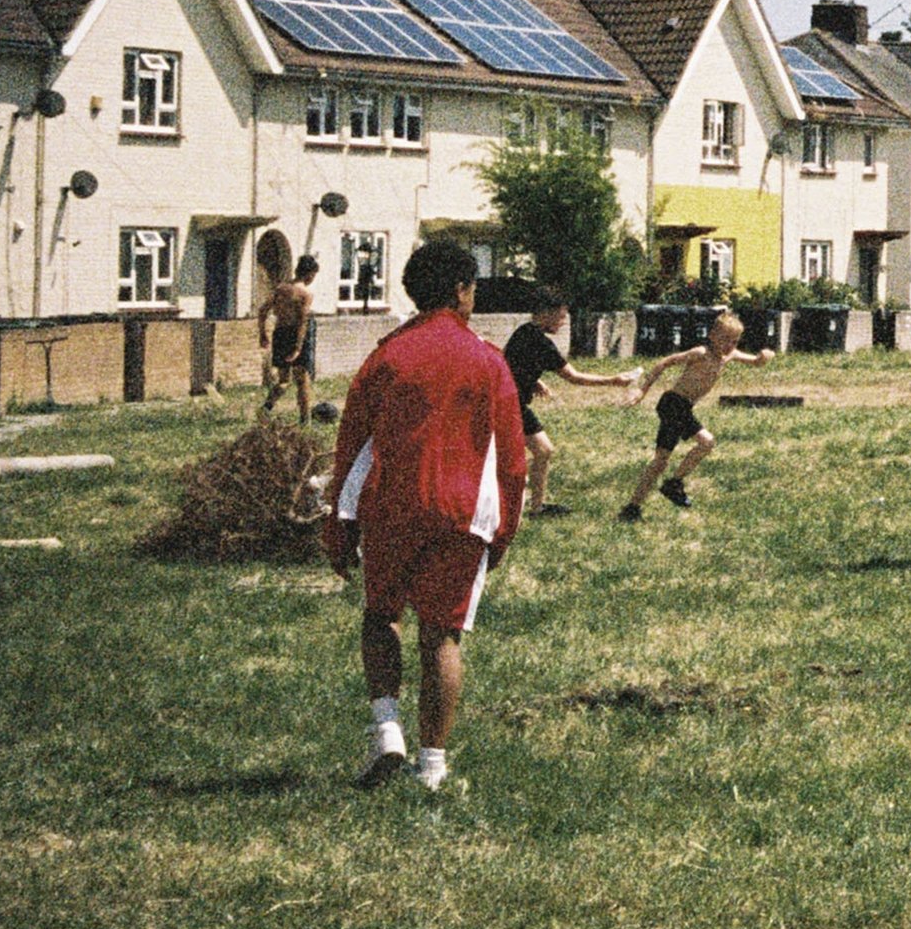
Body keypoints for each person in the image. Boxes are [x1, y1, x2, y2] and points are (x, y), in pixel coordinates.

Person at [322, 240, 526, 794]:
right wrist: (503, 531)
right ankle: (433, 765)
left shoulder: (386, 356)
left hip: (391, 505)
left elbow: (351, 447)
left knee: (380, 616)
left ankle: (387, 729)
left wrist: (339, 523)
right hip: (460, 514)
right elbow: (512, 458)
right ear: (461, 291)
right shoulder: (488, 360)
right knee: (441, 636)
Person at [616, 310, 770, 523]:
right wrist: (642, 391)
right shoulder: (701, 352)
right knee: (706, 442)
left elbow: (755, 361)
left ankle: (632, 508)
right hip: (673, 403)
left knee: (660, 461)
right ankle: (673, 484)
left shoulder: (730, 355)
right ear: (712, 335)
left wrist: (764, 356)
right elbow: (664, 362)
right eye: (724, 339)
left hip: (683, 407)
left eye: (734, 341)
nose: (729, 345)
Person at [502, 289, 635, 519]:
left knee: (541, 451)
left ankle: (534, 506)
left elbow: (508, 362)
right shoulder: (541, 343)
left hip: (510, 402)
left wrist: (533, 381)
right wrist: (614, 380)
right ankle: (527, 507)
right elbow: (575, 377)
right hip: (510, 406)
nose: (564, 322)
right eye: (562, 316)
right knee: (536, 452)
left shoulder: (523, 332)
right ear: (546, 313)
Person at [261, 257, 320, 422]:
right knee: (302, 379)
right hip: (295, 334)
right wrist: (298, 348)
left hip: (280, 333)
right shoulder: (305, 294)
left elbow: (263, 310)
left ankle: (266, 408)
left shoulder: (280, 289)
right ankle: (305, 420)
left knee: (283, 380)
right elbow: (302, 322)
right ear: (309, 274)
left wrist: (263, 333)